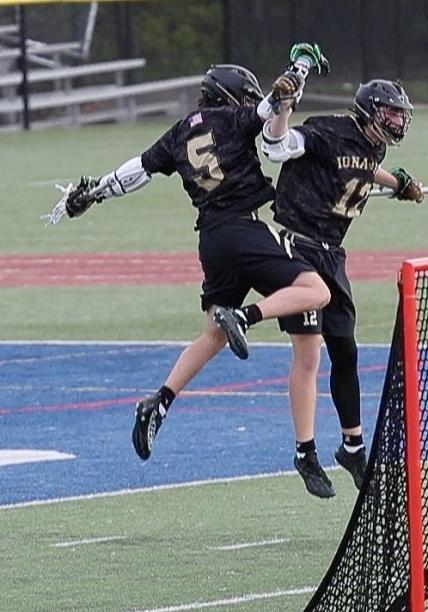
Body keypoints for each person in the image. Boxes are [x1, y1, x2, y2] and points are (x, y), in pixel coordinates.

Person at [46, 54, 332, 463]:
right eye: (243, 97)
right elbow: (268, 111)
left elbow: (135, 173)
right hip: (242, 229)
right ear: (229, 95)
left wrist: (93, 193)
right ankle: (247, 316)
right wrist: (285, 87)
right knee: (315, 290)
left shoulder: (177, 134)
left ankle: (159, 402)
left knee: (212, 335)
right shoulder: (233, 120)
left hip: (211, 242)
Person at [257, 74, 424, 498]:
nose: (397, 120)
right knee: (309, 354)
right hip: (297, 247)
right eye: (390, 112)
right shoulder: (328, 129)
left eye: (400, 114)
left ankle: (352, 445)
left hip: (332, 253)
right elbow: (281, 147)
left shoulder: (374, 146)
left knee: (345, 352)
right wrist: (281, 111)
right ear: (369, 110)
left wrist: (397, 183)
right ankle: (305, 452)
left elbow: (361, 168)